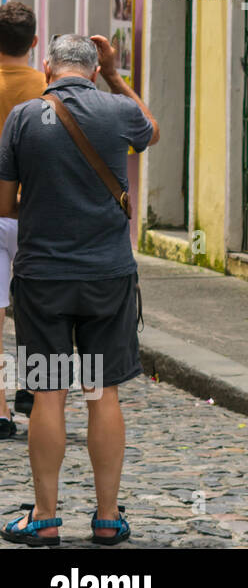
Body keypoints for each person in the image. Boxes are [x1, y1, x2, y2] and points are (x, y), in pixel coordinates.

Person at [0, 34, 159, 545]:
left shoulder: (24, 118)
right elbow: (151, 130)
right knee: (101, 389)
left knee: (48, 392)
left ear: (47, 68)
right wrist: (116, 75)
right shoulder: (116, 110)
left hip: (44, 276)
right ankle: (108, 517)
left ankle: (45, 518)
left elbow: (6, 205)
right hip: (107, 275)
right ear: (92, 70)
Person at [0, 3, 46, 440]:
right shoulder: (49, 88)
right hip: (38, 212)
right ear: (34, 42)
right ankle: (36, 387)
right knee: (41, 311)